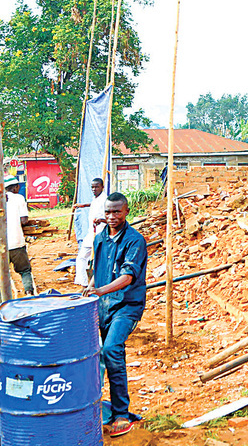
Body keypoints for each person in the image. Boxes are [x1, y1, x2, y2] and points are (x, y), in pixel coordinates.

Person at [83, 192, 147, 437]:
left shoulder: (135, 241)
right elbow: (96, 269)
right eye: (108, 212)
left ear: (126, 211)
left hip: (126, 306)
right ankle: (92, 405)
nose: (111, 216)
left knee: (111, 349)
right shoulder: (100, 239)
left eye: (116, 212)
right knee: (93, 355)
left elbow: (128, 277)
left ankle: (121, 413)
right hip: (102, 306)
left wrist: (100, 290)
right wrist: (90, 287)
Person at [72, 177, 106, 286]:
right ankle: (84, 284)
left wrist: (101, 220)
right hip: (91, 233)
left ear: (102, 187)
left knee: (100, 260)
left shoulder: (106, 200)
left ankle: (99, 283)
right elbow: (94, 204)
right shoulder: (96, 198)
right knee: (81, 257)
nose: (94, 189)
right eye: (92, 187)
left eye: (96, 187)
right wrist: (83, 205)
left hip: (101, 234)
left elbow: (111, 217)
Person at [4, 176, 33, 295]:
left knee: (2, 273)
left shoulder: (2, 199)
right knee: (25, 270)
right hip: (16, 242)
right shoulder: (19, 198)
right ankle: (29, 293)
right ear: (16, 187)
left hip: (2, 244)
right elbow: (24, 220)